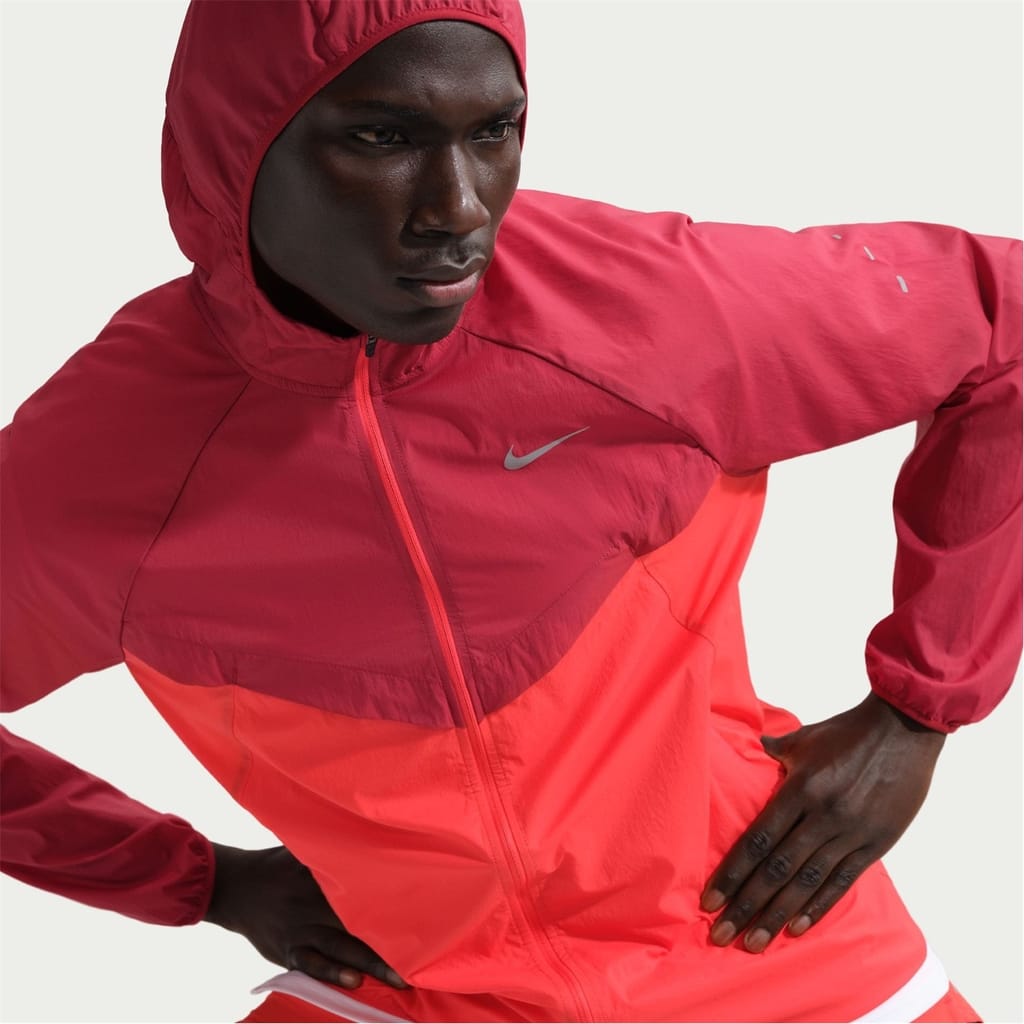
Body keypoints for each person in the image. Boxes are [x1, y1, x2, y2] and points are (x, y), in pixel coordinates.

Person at [1, 1, 1020, 1021]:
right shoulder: (110, 455)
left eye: (493, 131)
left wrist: (914, 715)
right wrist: (207, 882)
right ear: (236, 144)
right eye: (382, 137)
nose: (457, 210)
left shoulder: (646, 307)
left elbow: (1002, 325)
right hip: (407, 983)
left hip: (772, 943)